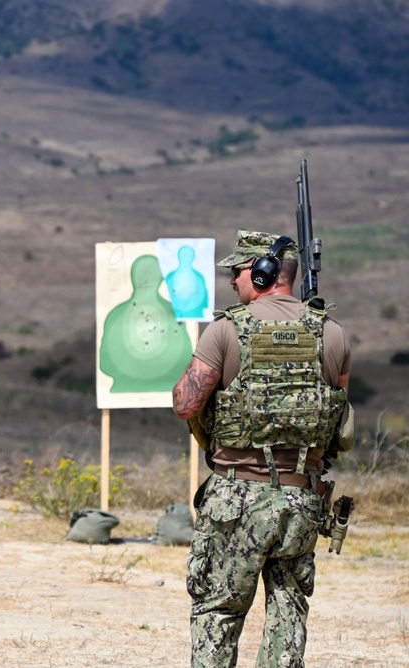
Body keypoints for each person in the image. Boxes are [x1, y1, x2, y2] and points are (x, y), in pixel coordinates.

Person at [172, 230, 352, 668]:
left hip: (236, 499)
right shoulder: (333, 334)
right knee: (289, 611)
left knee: (219, 610)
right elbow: (340, 429)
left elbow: (186, 404)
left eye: (237, 272)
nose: (232, 282)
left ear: (262, 271)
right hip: (302, 500)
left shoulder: (225, 331)